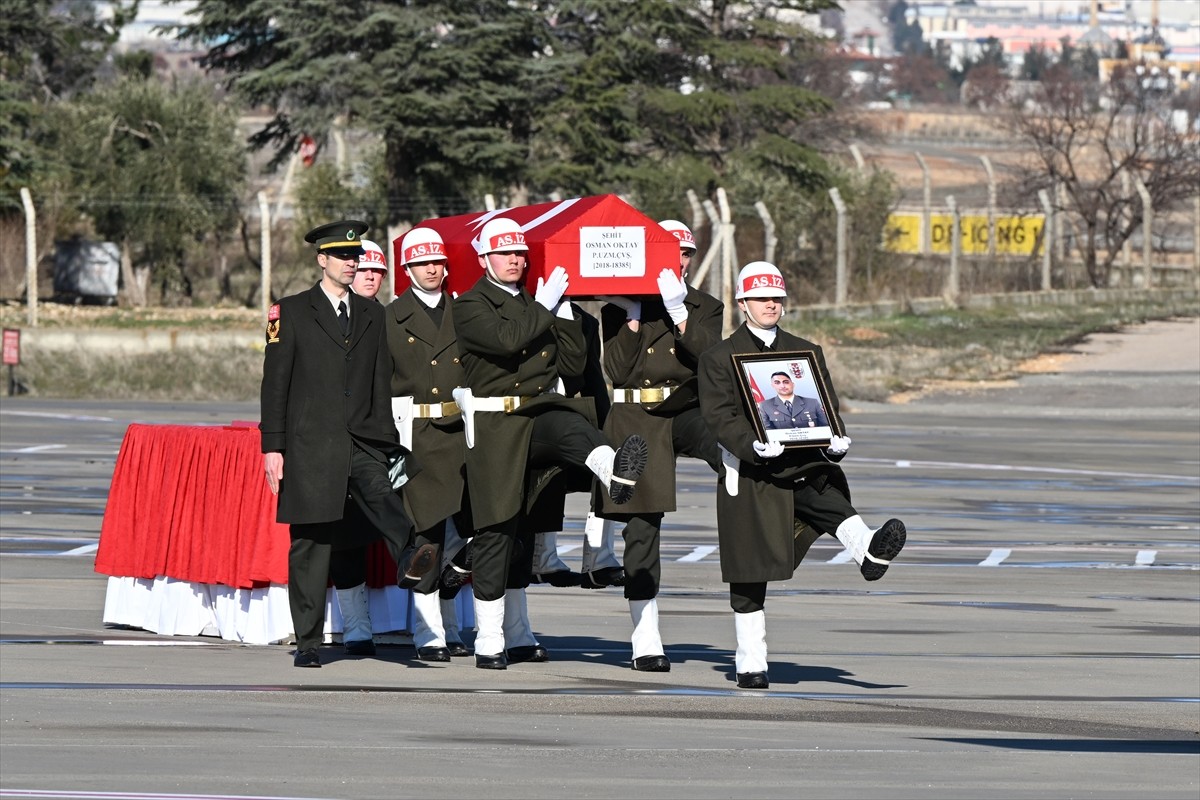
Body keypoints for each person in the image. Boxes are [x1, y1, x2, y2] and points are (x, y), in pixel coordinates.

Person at [697, 261, 907, 689]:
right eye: (761, 298)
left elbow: (825, 404)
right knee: (749, 568)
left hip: (803, 461)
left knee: (824, 493)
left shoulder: (804, 350)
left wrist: (836, 439)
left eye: (776, 298)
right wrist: (749, 444)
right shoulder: (718, 357)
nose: (770, 304)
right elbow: (719, 416)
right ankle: (751, 660)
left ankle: (867, 547)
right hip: (752, 467)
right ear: (743, 303)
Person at [453, 216, 649, 670]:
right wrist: (543, 306)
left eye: (521, 254)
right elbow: (506, 341)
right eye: (505, 254)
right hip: (498, 425)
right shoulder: (469, 304)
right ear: (485, 259)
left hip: (537, 412)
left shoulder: (538, 302)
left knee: (572, 423)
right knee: (501, 534)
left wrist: (563, 313)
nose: (515, 261)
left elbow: (576, 364)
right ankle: (490, 637)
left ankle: (611, 467)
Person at [260, 219, 436, 668]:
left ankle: (412, 554)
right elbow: (275, 384)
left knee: (382, 496)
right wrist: (273, 447)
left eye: (355, 255)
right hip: (311, 446)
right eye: (342, 255)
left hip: (363, 438)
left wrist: (389, 444)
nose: (351, 262)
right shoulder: (291, 312)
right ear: (322, 260)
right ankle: (308, 642)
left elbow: (379, 381)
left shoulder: (373, 314)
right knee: (312, 542)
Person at [593, 218, 725, 672]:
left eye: (686, 252)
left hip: (683, 411)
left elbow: (710, 359)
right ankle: (645, 637)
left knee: (729, 448)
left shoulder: (706, 305)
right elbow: (619, 371)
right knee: (642, 526)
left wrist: (680, 313)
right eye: (670, 252)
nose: (680, 260)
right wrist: (632, 316)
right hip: (634, 414)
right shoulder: (620, 306)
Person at [384, 226, 474, 661]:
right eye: (422, 264)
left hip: (463, 430)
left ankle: (452, 605)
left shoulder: (464, 311)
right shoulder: (390, 316)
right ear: (407, 269)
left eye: (437, 263)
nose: (432, 270)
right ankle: (428, 632)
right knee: (427, 534)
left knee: (474, 529)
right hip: (415, 433)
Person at [329, 237, 389, 656]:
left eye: (378, 271)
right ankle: (356, 625)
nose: (370, 276)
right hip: (345, 441)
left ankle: (441, 627)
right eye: (363, 268)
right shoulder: (334, 315)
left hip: (395, 435)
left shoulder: (392, 316)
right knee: (348, 535)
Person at [758, 371, 830, 430]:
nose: (782, 386)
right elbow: (768, 431)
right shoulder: (765, 405)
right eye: (777, 383)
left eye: (786, 382)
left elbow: (825, 426)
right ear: (773, 385)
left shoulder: (812, 402)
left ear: (792, 384)